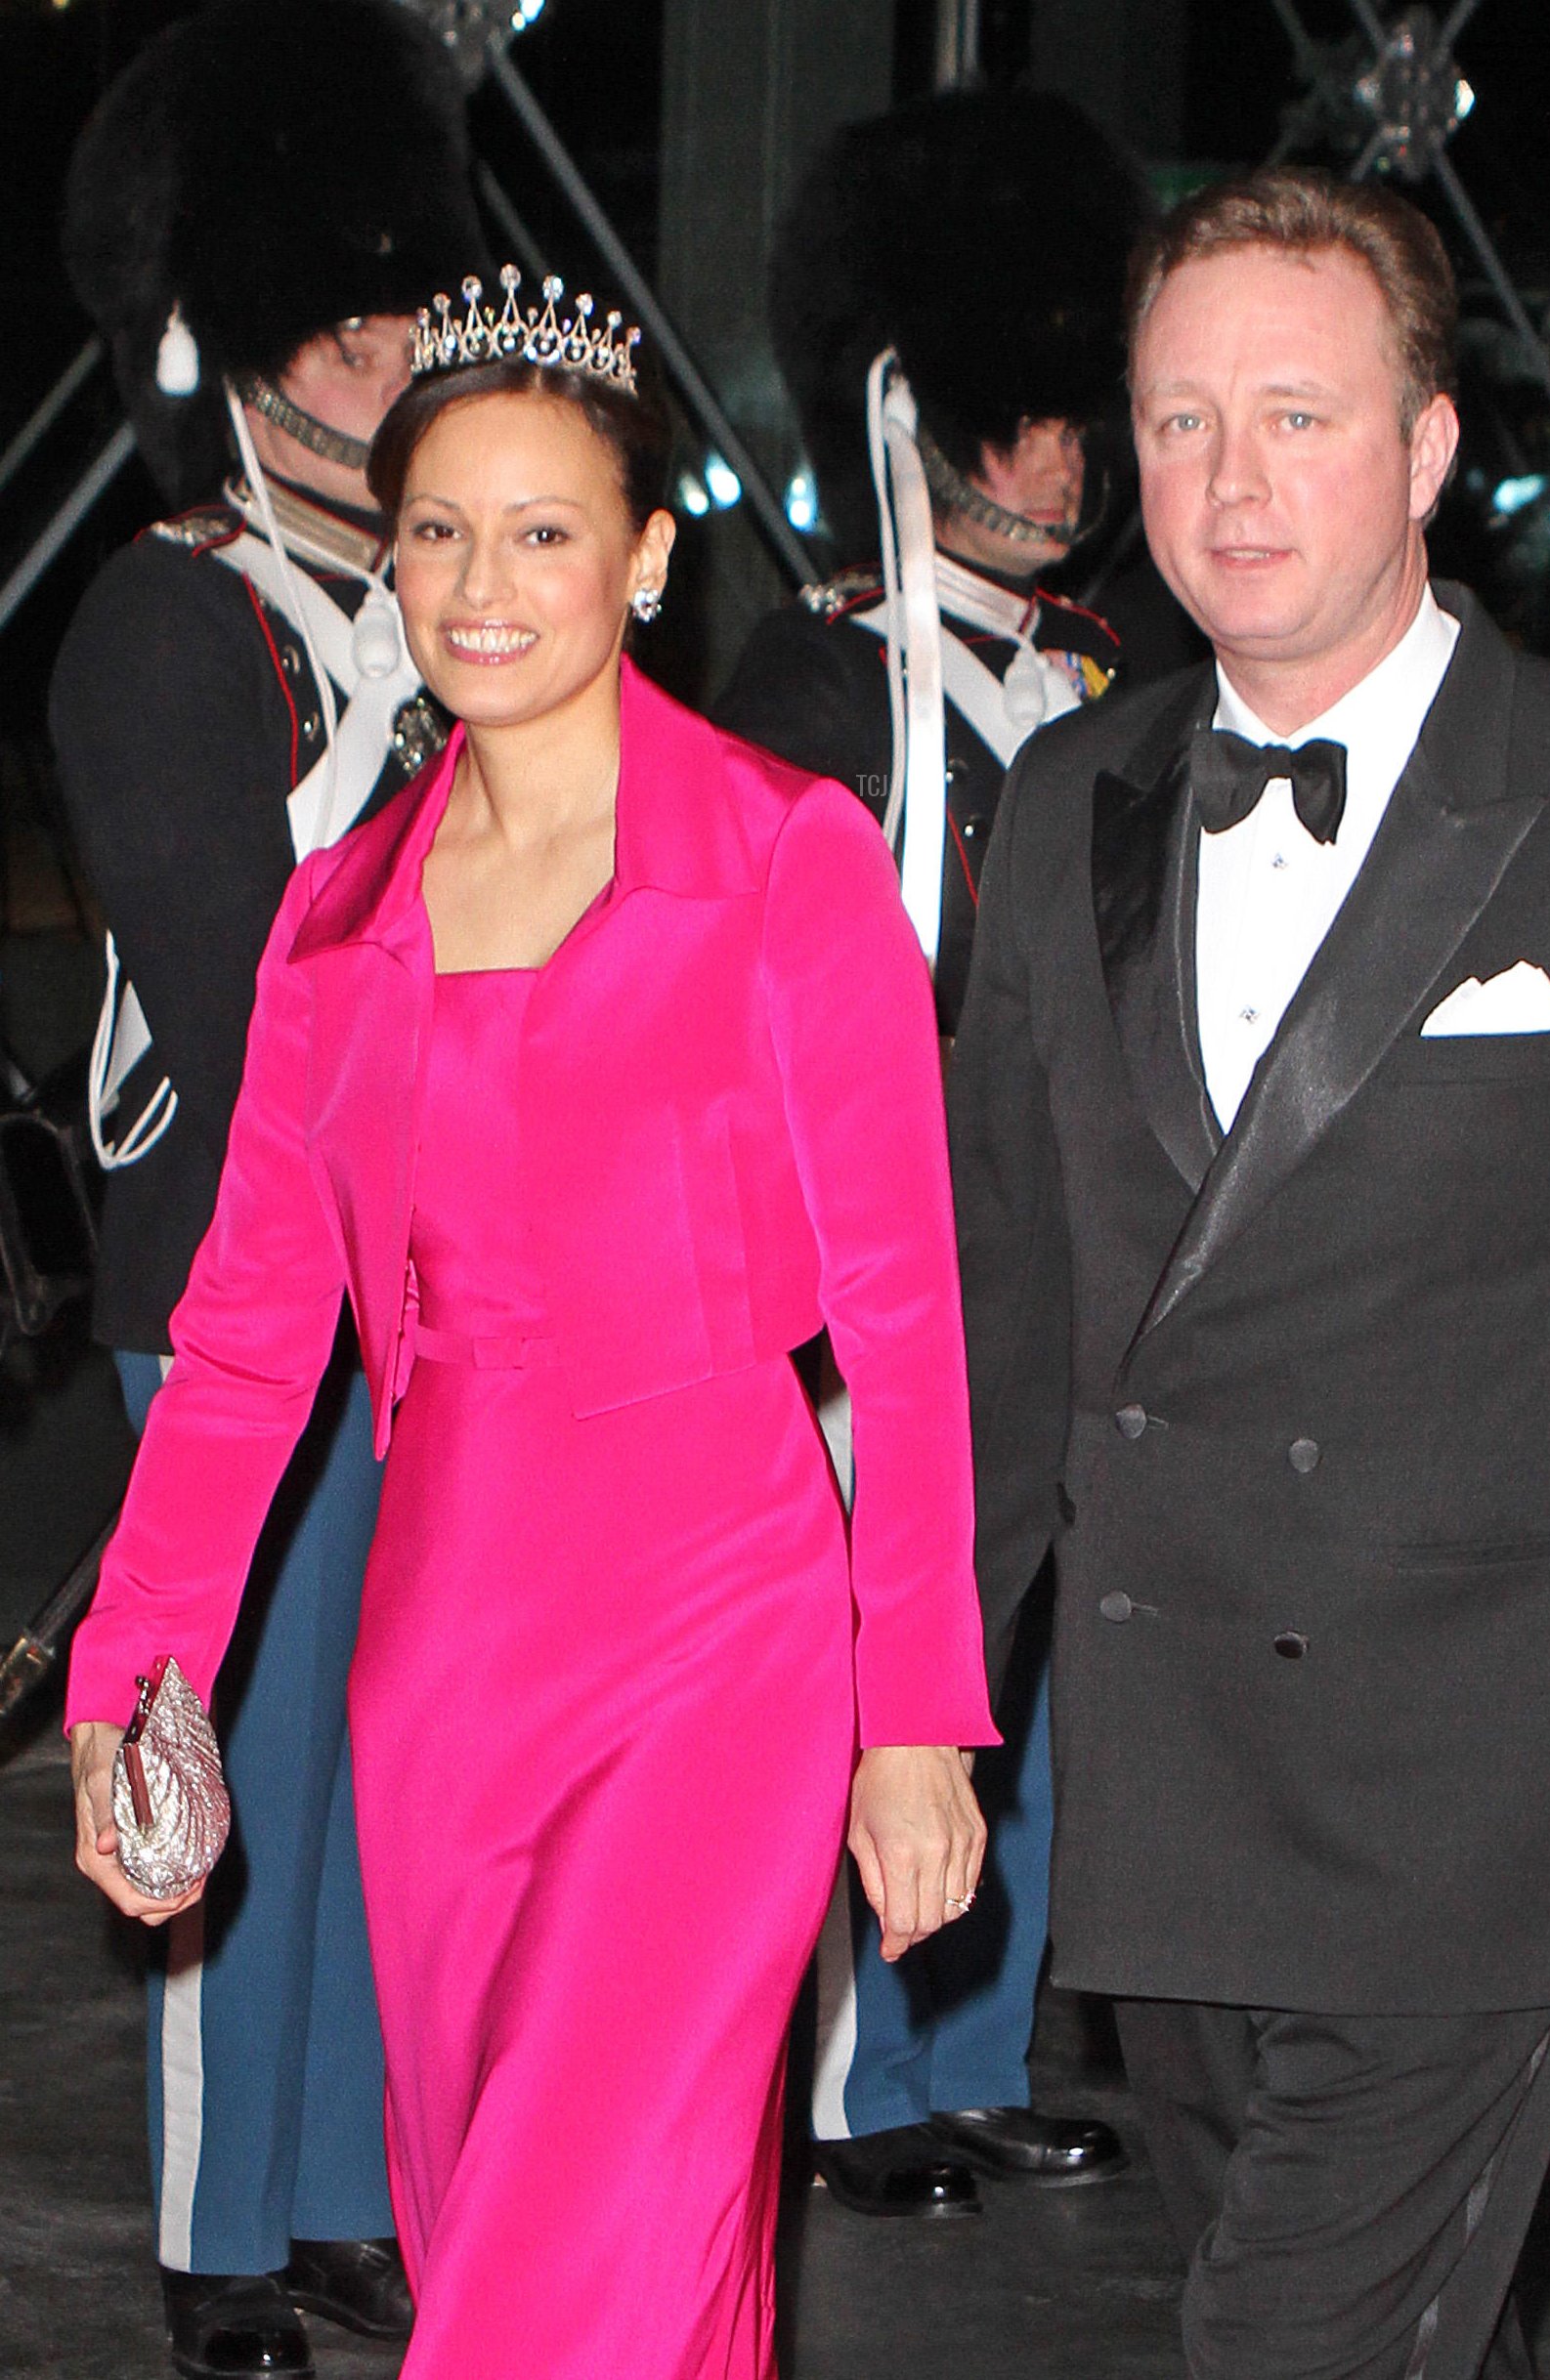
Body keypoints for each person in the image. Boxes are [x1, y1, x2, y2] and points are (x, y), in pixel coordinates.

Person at [947, 165, 1550, 2380]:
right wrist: (916, 1693)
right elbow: (1007, 1310)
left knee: (1290, 2342)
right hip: (1174, 1777)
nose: (1231, 481)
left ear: (1430, 447)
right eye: (1181, 420)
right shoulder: (1071, 796)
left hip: (1482, 1797)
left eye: (1297, 414)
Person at [67, 264, 997, 2380]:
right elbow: (244, 1346)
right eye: (438, 532)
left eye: (542, 530)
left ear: (647, 558)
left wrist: (915, 1714)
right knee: (507, 2208)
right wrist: (134, 1672)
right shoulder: (335, 924)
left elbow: (907, 1317)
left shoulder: (786, 861)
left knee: (569, 2257)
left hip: (720, 1638)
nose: (481, 588)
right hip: (449, 1654)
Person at [50, 7, 482, 2372]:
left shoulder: (448, 600)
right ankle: (221, 2233)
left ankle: (335, 2192)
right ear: (232, 343)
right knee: (239, 1770)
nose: (396, 356)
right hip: (236, 1275)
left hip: (441, 1280)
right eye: (344, 323)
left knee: (384, 1776)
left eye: (409, 309)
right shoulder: (167, 614)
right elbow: (241, 1005)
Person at [716, 89, 1138, 2219]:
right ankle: (846, 2088)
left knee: (1023, 1674)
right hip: (884, 1247)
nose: (1061, 464)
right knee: (886, 1667)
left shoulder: (1104, 674)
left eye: (1071, 419)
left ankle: (971, 2049)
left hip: (1065, 1239)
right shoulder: (810, 679)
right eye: (1018, 422)